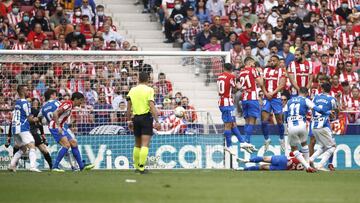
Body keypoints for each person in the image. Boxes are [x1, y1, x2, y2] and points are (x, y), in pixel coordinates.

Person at [49, 92, 95, 172]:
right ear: (76, 99)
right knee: (66, 145)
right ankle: (55, 167)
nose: (81, 102)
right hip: (55, 126)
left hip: (61, 126)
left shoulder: (70, 105)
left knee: (74, 142)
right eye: (80, 100)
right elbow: (55, 113)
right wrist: (58, 126)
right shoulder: (68, 104)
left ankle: (81, 166)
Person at [217, 63, 256, 153]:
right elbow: (234, 89)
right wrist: (240, 88)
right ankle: (229, 146)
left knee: (233, 123)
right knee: (228, 124)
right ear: (231, 69)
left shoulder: (219, 77)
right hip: (227, 103)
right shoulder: (231, 76)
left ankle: (242, 142)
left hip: (222, 101)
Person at [126, 72, 160, 174]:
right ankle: (141, 167)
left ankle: (136, 167)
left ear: (138, 79)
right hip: (145, 118)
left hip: (135, 118)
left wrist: (128, 120)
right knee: (145, 144)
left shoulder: (132, 90)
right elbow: (151, 106)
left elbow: (128, 107)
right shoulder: (149, 90)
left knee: (137, 144)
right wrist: (157, 120)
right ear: (148, 79)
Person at [284, 87, 323, 173]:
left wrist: (287, 124)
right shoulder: (305, 100)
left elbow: (285, 114)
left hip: (291, 125)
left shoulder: (289, 101)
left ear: (299, 92)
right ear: (306, 93)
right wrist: (326, 112)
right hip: (302, 124)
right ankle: (308, 165)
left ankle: (307, 166)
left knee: (294, 148)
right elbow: (316, 108)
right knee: (304, 144)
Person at [39, 89, 78, 170]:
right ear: (52, 95)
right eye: (55, 95)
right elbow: (62, 110)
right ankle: (73, 165)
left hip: (52, 127)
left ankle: (74, 165)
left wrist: (44, 122)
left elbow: (39, 118)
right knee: (70, 144)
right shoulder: (56, 102)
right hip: (61, 126)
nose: (56, 96)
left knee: (67, 146)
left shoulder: (43, 107)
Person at [8, 85, 41, 172]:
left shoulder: (17, 102)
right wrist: (38, 119)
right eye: (26, 90)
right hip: (22, 128)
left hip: (15, 128)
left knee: (23, 148)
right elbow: (30, 119)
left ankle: (11, 165)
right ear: (22, 91)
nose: (28, 91)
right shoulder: (26, 103)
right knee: (32, 145)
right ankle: (33, 167)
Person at [309, 83, 338, 171]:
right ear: (330, 90)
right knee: (332, 146)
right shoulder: (332, 99)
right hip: (323, 125)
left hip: (313, 125)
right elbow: (335, 110)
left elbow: (311, 108)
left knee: (323, 146)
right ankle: (320, 165)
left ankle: (310, 159)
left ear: (322, 89)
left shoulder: (316, 97)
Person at [261, 55, 286, 152]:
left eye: (274, 61)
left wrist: (272, 93)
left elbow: (282, 85)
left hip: (276, 98)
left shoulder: (281, 71)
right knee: (264, 120)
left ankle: (281, 139)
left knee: (279, 121)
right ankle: (267, 139)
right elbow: (262, 83)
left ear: (278, 62)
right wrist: (266, 93)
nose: (271, 62)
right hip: (267, 98)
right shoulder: (265, 70)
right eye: (270, 61)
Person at [238, 57, 264, 143]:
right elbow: (261, 83)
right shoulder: (253, 70)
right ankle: (247, 141)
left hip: (244, 99)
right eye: (253, 63)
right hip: (252, 98)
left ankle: (245, 140)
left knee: (247, 121)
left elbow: (240, 86)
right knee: (252, 121)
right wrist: (261, 74)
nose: (254, 65)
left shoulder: (241, 72)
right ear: (249, 63)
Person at [238, 153, 314, 172]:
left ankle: (245, 166)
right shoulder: (305, 168)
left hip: (283, 163)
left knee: (263, 164)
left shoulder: (304, 157)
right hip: (283, 163)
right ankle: (246, 163)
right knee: (264, 162)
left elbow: (292, 153)